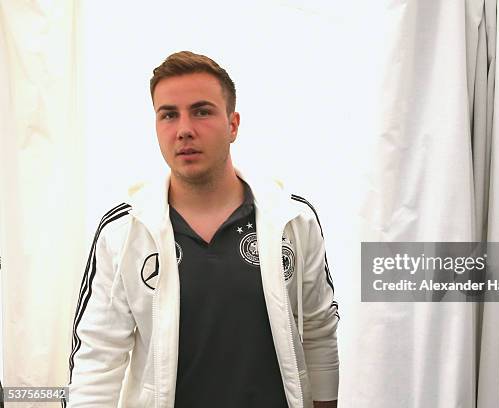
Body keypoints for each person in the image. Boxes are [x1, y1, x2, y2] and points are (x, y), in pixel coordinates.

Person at [64, 51, 339, 407]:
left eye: (202, 111)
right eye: (168, 115)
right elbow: (97, 356)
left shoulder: (292, 219)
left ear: (233, 124)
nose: (184, 130)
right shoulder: (123, 232)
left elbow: (318, 329)